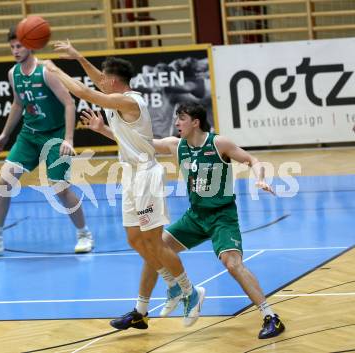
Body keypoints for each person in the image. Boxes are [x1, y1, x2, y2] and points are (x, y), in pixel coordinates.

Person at [82, 102, 285, 339]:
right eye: (177, 118)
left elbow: (253, 160)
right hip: (195, 215)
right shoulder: (175, 145)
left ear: (195, 122)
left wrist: (259, 179)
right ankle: (140, 312)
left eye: (182, 118)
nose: (177, 123)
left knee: (232, 264)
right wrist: (103, 129)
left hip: (222, 215)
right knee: (156, 248)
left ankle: (271, 316)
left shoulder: (218, 143)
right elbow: (139, 144)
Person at [45, 40, 205, 327]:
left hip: (146, 175)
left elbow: (83, 90)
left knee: (154, 242)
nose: (99, 80)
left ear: (114, 81)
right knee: (134, 239)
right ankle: (170, 284)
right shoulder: (117, 94)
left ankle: (190, 291)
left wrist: (55, 69)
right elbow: (94, 80)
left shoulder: (129, 101)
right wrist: (77, 56)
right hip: (130, 175)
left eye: (103, 78)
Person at [0, 28, 93, 254]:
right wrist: (5, 134)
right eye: (12, 47)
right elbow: (18, 104)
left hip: (55, 135)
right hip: (29, 135)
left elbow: (69, 103)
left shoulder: (46, 71)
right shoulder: (13, 73)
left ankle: (84, 234)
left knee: (60, 189)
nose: (16, 51)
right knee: (3, 183)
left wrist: (68, 139)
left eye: (19, 46)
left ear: (31, 45)